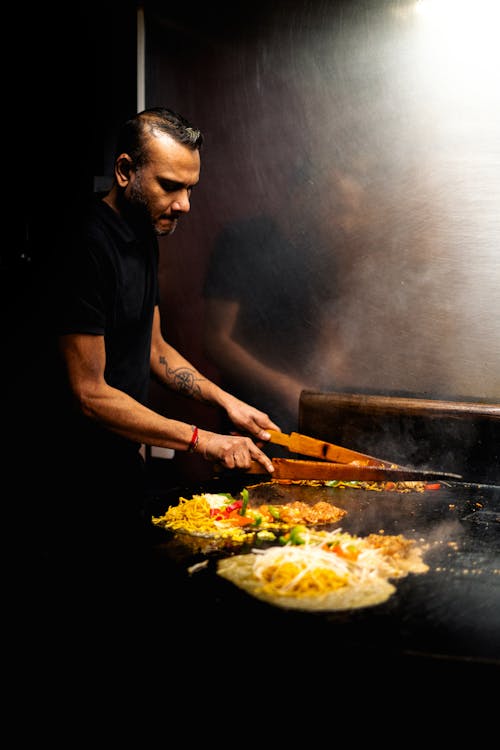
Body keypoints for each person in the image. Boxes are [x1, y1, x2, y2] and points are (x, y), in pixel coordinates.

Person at [23, 107, 278, 585]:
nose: (184, 204)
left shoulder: (145, 235)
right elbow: (89, 393)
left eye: (190, 188)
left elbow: (154, 348)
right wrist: (204, 440)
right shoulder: (83, 245)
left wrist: (229, 403)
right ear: (125, 171)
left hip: (117, 468)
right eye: (169, 186)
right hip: (62, 481)